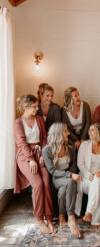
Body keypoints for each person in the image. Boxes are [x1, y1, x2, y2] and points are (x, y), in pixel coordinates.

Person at [14, 94, 56, 234]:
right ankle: (39, 219)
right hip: (25, 157)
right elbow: (22, 143)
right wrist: (31, 159)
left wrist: (43, 154)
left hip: (40, 154)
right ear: (26, 107)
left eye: (37, 106)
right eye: (34, 107)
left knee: (46, 181)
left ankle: (49, 218)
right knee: (37, 183)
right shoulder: (18, 122)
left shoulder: (38, 119)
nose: (37, 109)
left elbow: (44, 138)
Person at [43, 123, 82, 238]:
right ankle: (71, 217)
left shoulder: (70, 147)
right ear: (59, 134)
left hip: (68, 178)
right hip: (57, 178)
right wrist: (69, 175)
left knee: (63, 191)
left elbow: (73, 166)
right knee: (70, 182)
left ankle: (61, 216)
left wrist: (70, 174)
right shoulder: (47, 150)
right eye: (66, 131)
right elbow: (52, 171)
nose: (68, 133)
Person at [75, 123, 100, 228]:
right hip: (85, 177)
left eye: (92, 130)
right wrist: (88, 174)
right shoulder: (84, 145)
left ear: (99, 132)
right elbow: (80, 163)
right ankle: (95, 220)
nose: (90, 132)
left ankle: (89, 212)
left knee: (98, 180)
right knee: (98, 186)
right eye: (89, 130)